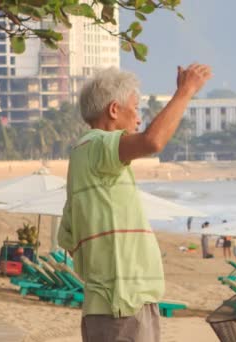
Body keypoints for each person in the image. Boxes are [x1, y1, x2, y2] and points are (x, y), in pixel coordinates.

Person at [57, 65, 212, 342]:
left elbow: (67, 237)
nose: (139, 119)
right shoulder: (98, 145)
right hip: (123, 303)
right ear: (114, 110)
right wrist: (185, 91)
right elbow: (153, 141)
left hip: (107, 302)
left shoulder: (82, 160)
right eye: (136, 108)